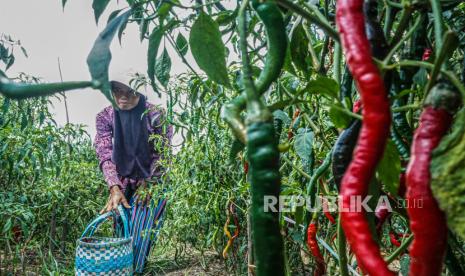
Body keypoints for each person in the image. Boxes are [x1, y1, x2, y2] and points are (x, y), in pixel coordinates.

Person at [94, 80, 173, 213]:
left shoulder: (157, 115)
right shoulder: (105, 117)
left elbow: (163, 153)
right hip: (122, 182)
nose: (123, 97)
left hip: (153, 179)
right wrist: (114, 187)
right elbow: (105, 154)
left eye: (130, 92)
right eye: (118, 91)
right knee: (121, 223)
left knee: (148, 223)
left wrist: (149, 182)